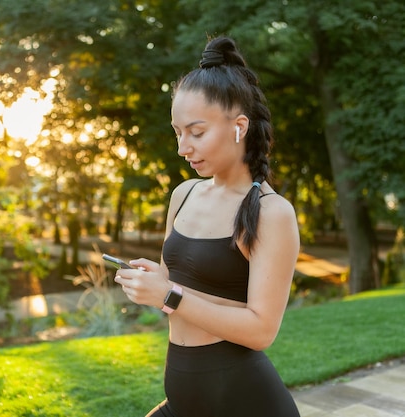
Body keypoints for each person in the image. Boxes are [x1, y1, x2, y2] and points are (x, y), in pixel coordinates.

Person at [114, 36, 301, 417]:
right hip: (184, 401)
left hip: (244, 404)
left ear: (239, 127)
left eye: (196, 132)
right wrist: (155, 281)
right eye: (177, 132)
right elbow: (182, 288)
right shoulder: (183, 195)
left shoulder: (272, 213)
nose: (183, 147)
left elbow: (261, 330)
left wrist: (167, 294)